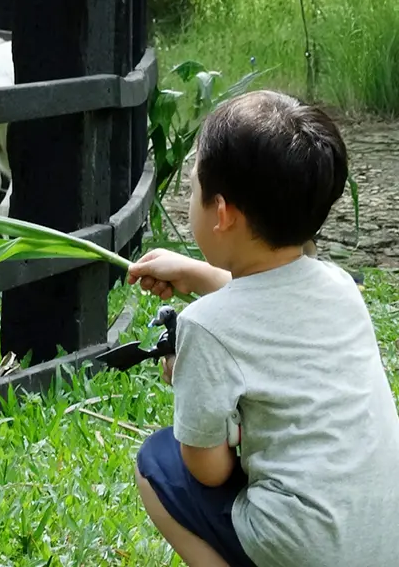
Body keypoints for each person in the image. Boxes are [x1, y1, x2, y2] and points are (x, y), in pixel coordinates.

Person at [126, 90, 399, 567]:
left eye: (192, 189)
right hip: (382, 538)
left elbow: (208, 471)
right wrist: (197, 274)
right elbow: (271, 298)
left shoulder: (205, 329)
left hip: (305, 547)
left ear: (223, 214)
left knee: (155, 462)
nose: (190, 199)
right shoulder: (341, 286)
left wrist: (210, 402)